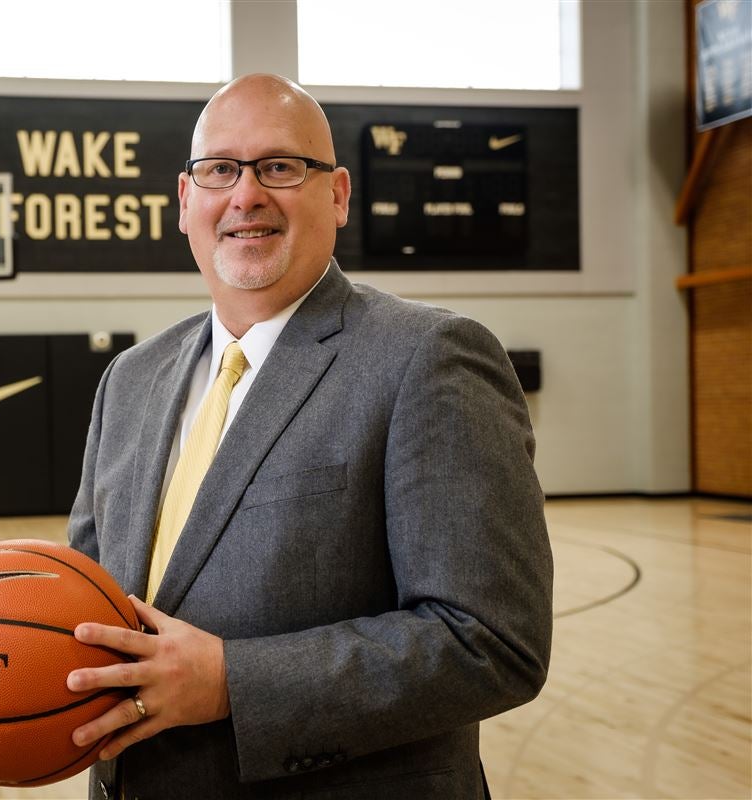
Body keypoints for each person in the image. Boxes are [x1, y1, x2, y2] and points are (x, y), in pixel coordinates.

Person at [65, 73, 553, 800]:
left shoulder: (429, 357)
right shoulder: (131, 380)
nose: (246, 195)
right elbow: (88, 600)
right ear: (185, 200)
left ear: (338, 194)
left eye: (281, 167)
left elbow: (491, 640)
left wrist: (234, 683)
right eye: (220, 169)